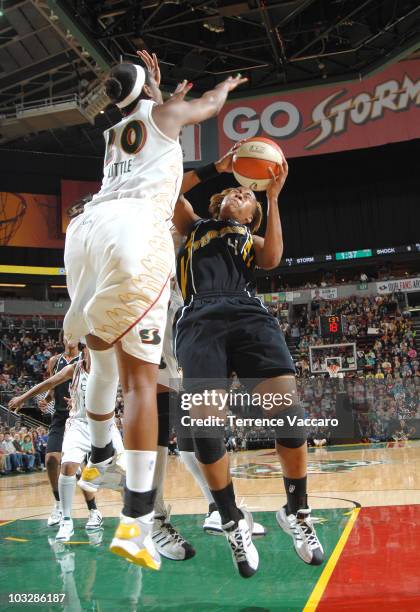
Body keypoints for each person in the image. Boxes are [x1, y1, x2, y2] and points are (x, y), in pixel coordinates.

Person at [63, 47, 247, 570]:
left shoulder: (118, 134)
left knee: (102, 352)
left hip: (86, 232)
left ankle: (102, 451)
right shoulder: (163, 123)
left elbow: (155, 139)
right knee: (143, 383)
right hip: (134, 235)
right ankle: (140, 518)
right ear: (148, 92)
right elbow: (202, 109)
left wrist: (157, 90)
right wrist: (224, 90)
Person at [171, 156, 324, 578]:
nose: (243, 194)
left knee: (290, 417)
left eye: (248, 197)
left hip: (248, 316)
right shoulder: (194, 226)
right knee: (205, 426)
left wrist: (271, 199)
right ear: (221, 201)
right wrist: (219, 168)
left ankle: (296, 510)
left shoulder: (249, 240)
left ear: (252, 218)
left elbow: (273, 257)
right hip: (199, 318)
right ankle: (232, 520)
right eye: (237, 192)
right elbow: (171, 184)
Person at [9, 349, 106, 537]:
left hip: (88, 420)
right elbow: (52, 385)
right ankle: (59, 505)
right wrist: (44, 399)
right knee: (52, 460)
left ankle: (93, 510)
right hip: (62, 418)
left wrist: (78, 400)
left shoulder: (91, 360)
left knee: (82, 471)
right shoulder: (58, 361)